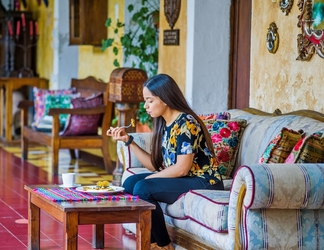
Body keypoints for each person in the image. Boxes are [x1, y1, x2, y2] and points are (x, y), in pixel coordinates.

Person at [106, 74, 224, 250]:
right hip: (185, 177)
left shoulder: (186, 123)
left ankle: (163, 245)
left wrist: (148, 180)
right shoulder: (165, 123)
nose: (145, 106)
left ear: (165, 99)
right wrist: (128, 141)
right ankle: (151, 241)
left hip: (206, 181)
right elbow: (155, 166)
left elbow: (181, 169)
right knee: (131, 182)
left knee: (143, 187)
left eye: (149, 100)